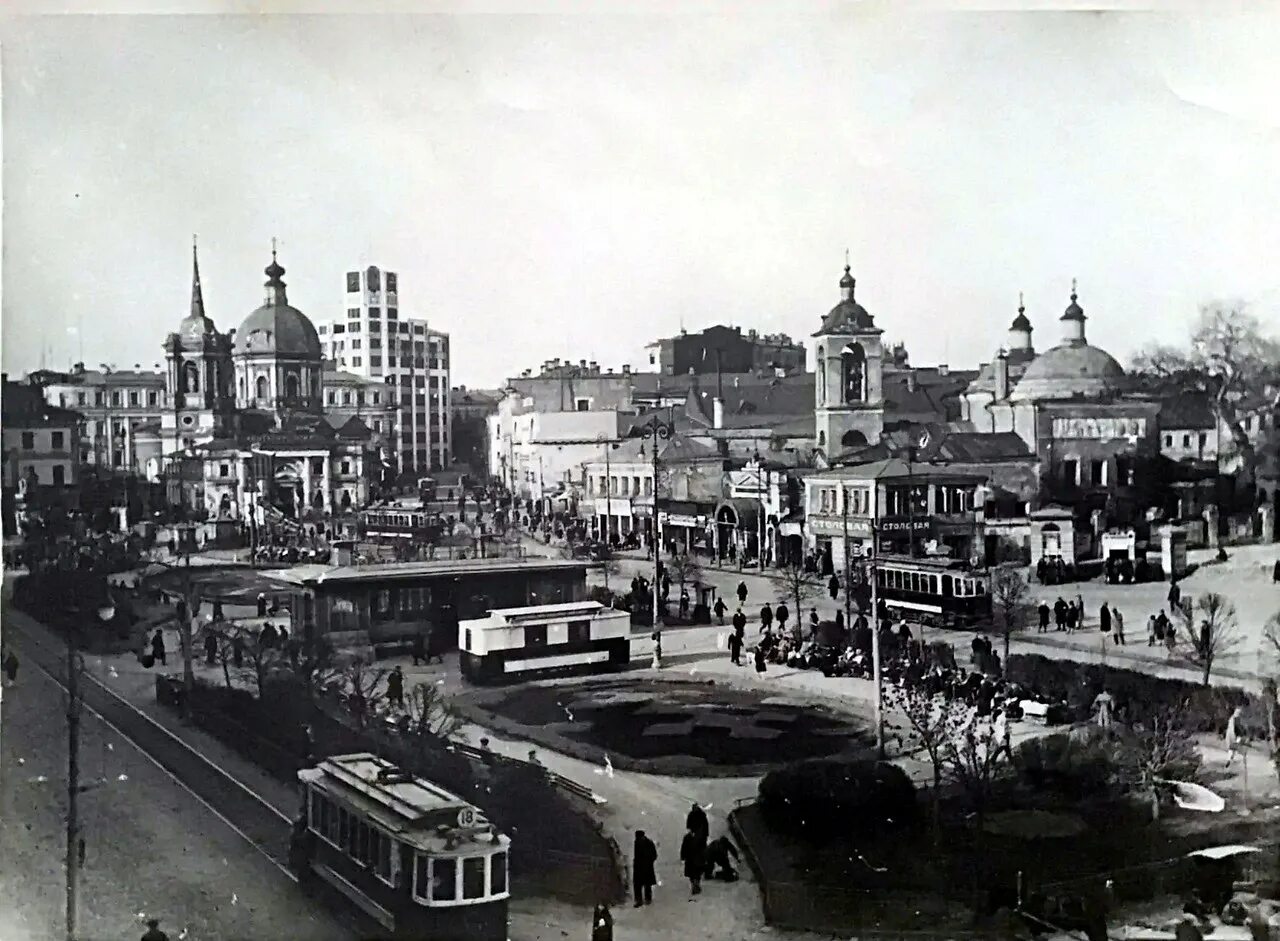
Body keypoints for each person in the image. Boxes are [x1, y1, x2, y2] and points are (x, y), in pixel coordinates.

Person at [632, 830, 658, 907]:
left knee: (645, 884)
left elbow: (654, 855)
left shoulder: (648, 843)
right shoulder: (637, 842)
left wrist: (649, 861)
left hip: (645, 867)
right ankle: (641, 899)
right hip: (640, 867)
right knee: (639, 885)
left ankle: (646, 899)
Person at [680, 827, 705, 895]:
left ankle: (694, 884)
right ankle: (695, 884)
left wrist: (683, 856)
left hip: (692, 858)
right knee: (696, 873)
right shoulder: (699, 837)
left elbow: (683, 847)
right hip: (694, 858)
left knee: (694, 873)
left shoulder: (688, 837)